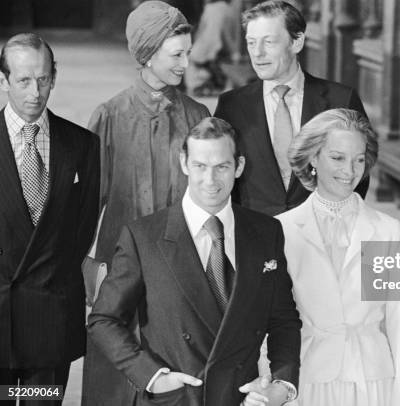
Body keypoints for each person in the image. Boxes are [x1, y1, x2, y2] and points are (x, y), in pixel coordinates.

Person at [88, 117, 301, 406]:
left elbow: (284, 321)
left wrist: (281, 384)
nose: (210, 180)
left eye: (222, 167)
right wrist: (151, 376)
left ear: (239, 166)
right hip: (175, 399)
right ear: (184, 163)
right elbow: (104, 319)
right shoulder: (143, 237)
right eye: (200, 166)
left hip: (241, 399)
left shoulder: (266, 232)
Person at [82, 2, 210, 404]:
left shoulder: (197, 117)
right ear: (148, 53)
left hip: (180, 278)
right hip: (119, 274)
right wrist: (88, 271)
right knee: (115, 384)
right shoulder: (109, 117)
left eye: (188, 52)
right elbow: (84, 208)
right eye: (177, 54)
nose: (186, 63)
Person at [275, 108, 400, 405]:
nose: (350, 171)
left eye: (358, 160)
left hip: (373, 382)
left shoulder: (388, 231)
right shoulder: (281, 230)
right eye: (337, 158)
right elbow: (270, 326)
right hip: (307, 381)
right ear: (313, 158)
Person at [0, 33, 100, 404]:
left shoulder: (82, 146)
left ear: (54, 77)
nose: (35, 92)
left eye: (43, 79)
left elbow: (83, 227)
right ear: (3, 80)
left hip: (51, 322)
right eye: (23, 80)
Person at [214, 0, 369, 216]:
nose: (257, 53)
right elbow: (221, 173)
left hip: (322, 235)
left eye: (268, 42)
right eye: (251, 43)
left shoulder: (341, 100)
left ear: (297, 42)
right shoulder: (231, 105)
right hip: (255, 235)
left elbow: (360, 173)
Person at [184, 0, 238, 96]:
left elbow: (201, 30)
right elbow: (227, 32)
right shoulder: (227, 9)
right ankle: (209, 86)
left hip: (204, 47)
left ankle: (197, 88)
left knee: (191, 64)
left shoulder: (209, 8)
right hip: (216, 47)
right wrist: (233, 50)